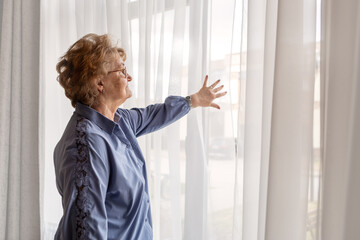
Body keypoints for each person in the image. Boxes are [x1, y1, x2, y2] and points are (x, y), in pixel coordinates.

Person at [53, 33, 227, 240]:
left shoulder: (120, 121)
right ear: (99, 83)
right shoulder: (87, 145)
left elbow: (154, 115)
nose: (129, 77)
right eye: (122, 70)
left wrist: (194, 100)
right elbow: (86, 231)